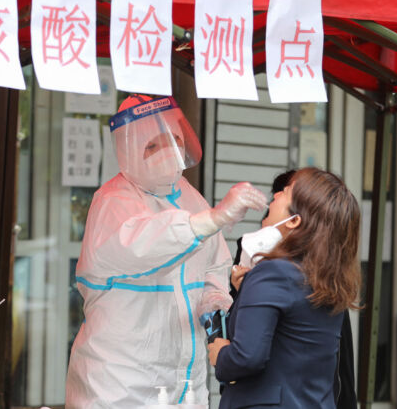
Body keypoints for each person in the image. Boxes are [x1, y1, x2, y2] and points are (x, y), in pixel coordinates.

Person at [65, 94, 267, 408]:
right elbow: (142, 245)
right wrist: (212, 219)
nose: (168, 153)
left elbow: (213, 271)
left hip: (185, 384)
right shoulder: (112, 201)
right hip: (119, 385)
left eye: (173, 139)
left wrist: (214, 312)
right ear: (128, 150)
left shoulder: (191, 198)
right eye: (152, 146)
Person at [208, 167, 361, 409]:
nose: (275, 195)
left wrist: (220, 354)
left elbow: (246, 358)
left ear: (295, 220)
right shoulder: (325, 278)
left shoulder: (273, 272)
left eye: (286, 193)